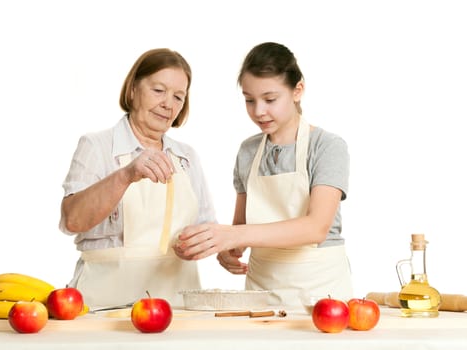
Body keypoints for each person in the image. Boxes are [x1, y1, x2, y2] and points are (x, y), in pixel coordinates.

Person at [174, 42, 353, 306]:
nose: (258, 111)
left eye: (270, 99)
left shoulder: (326, 146)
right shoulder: (248, 151)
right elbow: (241, 227)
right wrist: (225, 248)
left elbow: (317, 227)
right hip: (262, 291)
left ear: (297, 91)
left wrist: (235, 235)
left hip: (321, 290)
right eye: (249, 100)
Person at [59, 48, 216, 309]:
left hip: (176, 306)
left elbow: (206, 227)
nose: (168, 104)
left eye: (178, 96)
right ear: (132, 89)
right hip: (102, 307)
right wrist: (126, 175)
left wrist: (205, 244)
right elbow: (72, 220)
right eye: (158, 90)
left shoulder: (186, 157)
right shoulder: (97, 146)